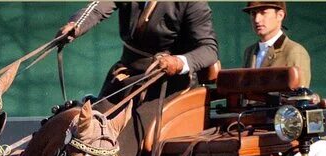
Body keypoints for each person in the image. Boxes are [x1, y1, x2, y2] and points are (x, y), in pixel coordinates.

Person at [56, 1, 219, 100]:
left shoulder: (193, 3)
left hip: (168, 84)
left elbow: (209, 49)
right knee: (92, 126)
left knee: (130, 136)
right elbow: (98, 7)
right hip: (126, 75)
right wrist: (75, 26)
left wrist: (178, 62)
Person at [242, 1, 311, 87]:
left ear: (280, 15)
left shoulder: (294, 51)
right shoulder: (249, 52)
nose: (257, 19)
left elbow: (299, 96)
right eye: (253, 13)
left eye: (263, 13)